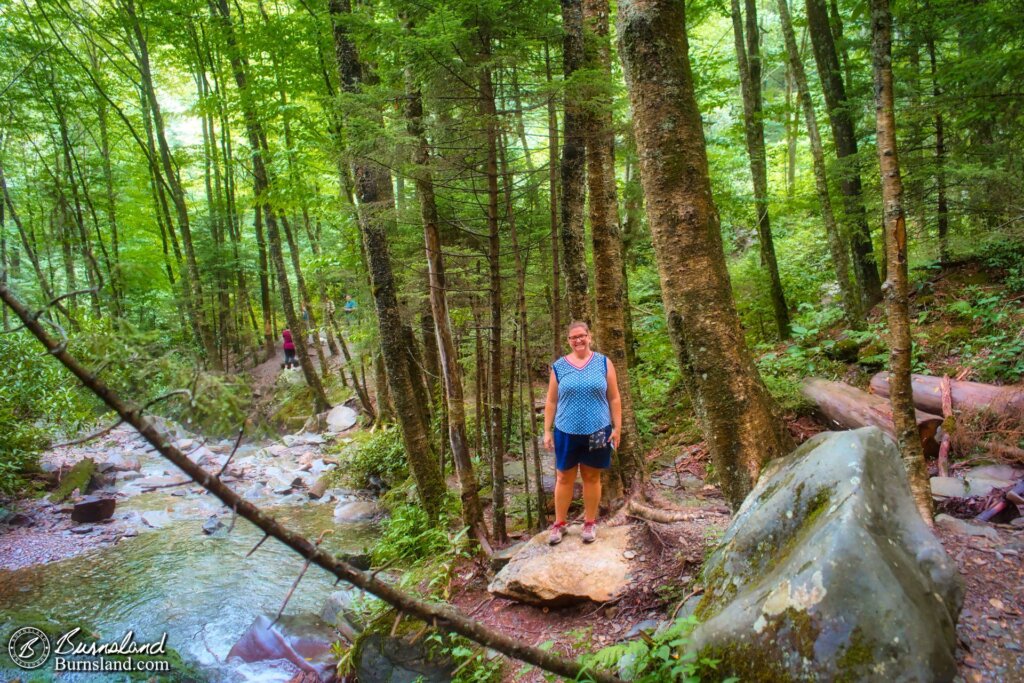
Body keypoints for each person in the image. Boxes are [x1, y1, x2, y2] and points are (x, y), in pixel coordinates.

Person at [543, 321, 622, 545]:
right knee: (564, 477)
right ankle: (559, 524)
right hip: (566, 431)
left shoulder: (603, 363)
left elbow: (614, 397)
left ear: (589, 336)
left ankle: (589, 522)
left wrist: (617, 427)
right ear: (568, 341)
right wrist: (547, 431)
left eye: (582, 336)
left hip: (598, 429)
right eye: (573, 337)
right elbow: (551, 400)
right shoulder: (560, 366)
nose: (578, 340)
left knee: (591, 476)